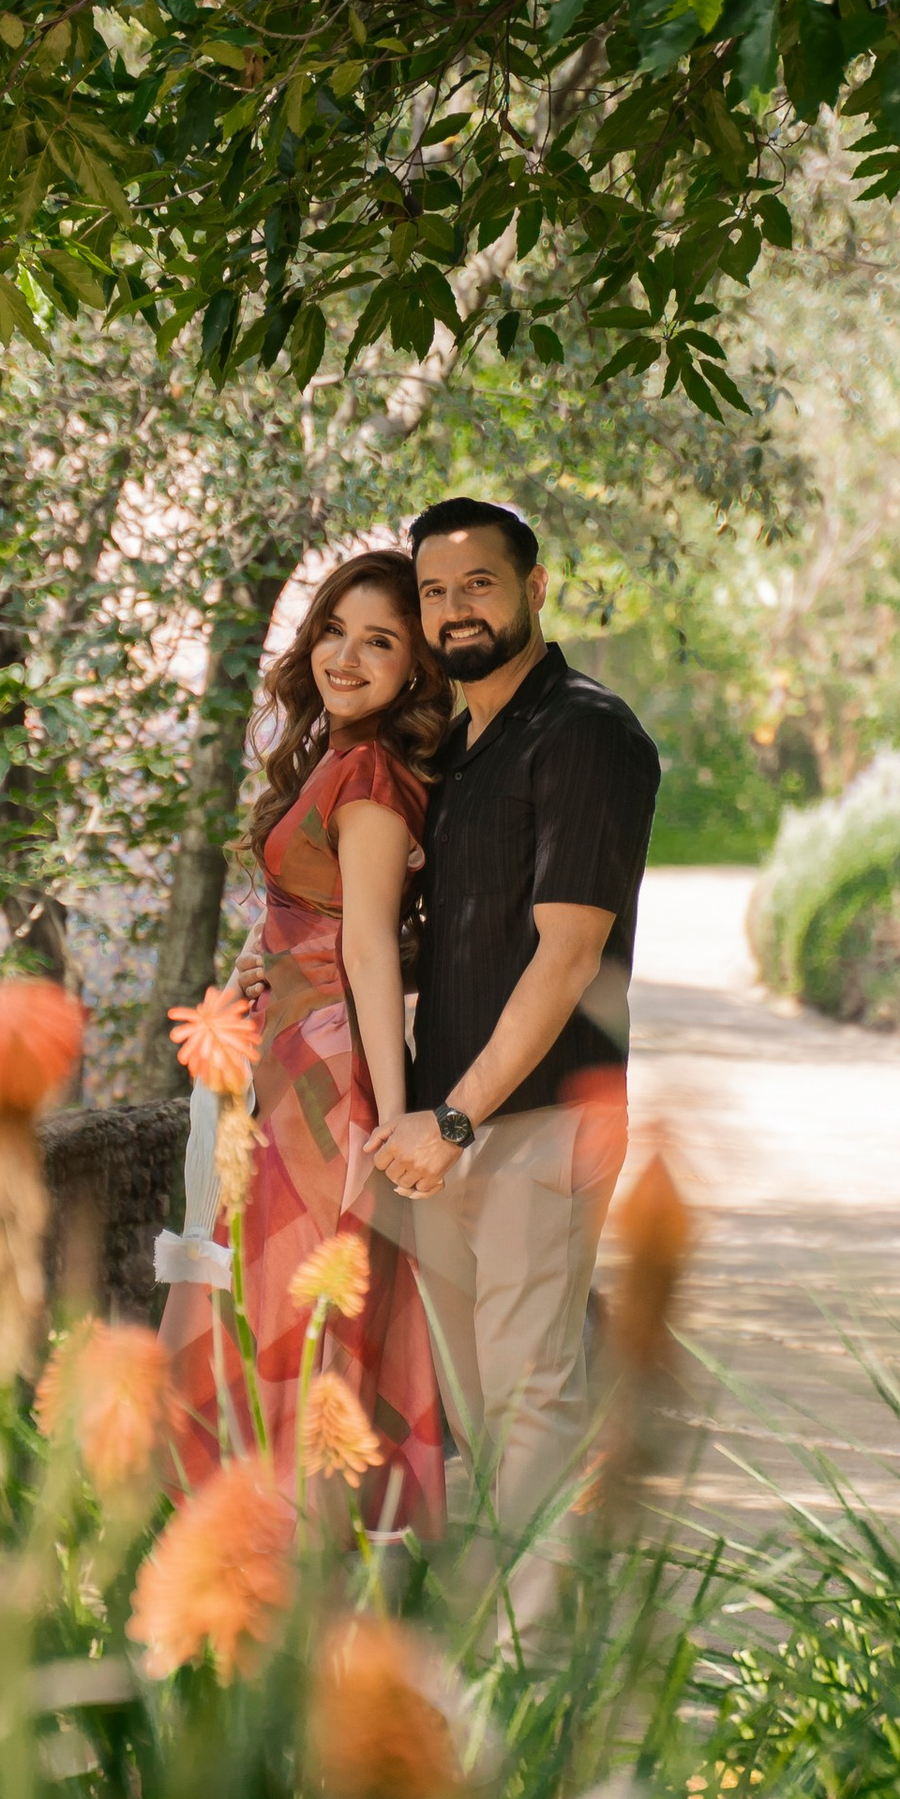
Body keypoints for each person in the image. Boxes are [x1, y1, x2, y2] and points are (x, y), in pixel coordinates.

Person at [368, 498, 660, 1566]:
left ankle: (533, 1647)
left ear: (534, 588)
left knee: (532, 1395)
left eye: (478, 585)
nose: (455, 610)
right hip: (446, 1133)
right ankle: (502, 1629)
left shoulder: (585, 733)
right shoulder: (456, 747)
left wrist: (453, 1117)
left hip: (538, 1120)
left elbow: (568, 954)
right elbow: (465, 939)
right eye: (434, 593)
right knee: (477, 1405)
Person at [162, 550, 449, 1533]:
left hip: (324, 1078)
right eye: (334, 631)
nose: (346, 657)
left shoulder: (369, 774)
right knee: (262, 1294)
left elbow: (366, 947)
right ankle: (260, 1551)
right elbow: (314, 919)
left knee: (290, 1308)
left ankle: (283, 1555)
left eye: (380, 643)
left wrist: (393, 1117)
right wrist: (262, 962)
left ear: (415, 669)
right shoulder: (338, 754)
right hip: (287, 1055)